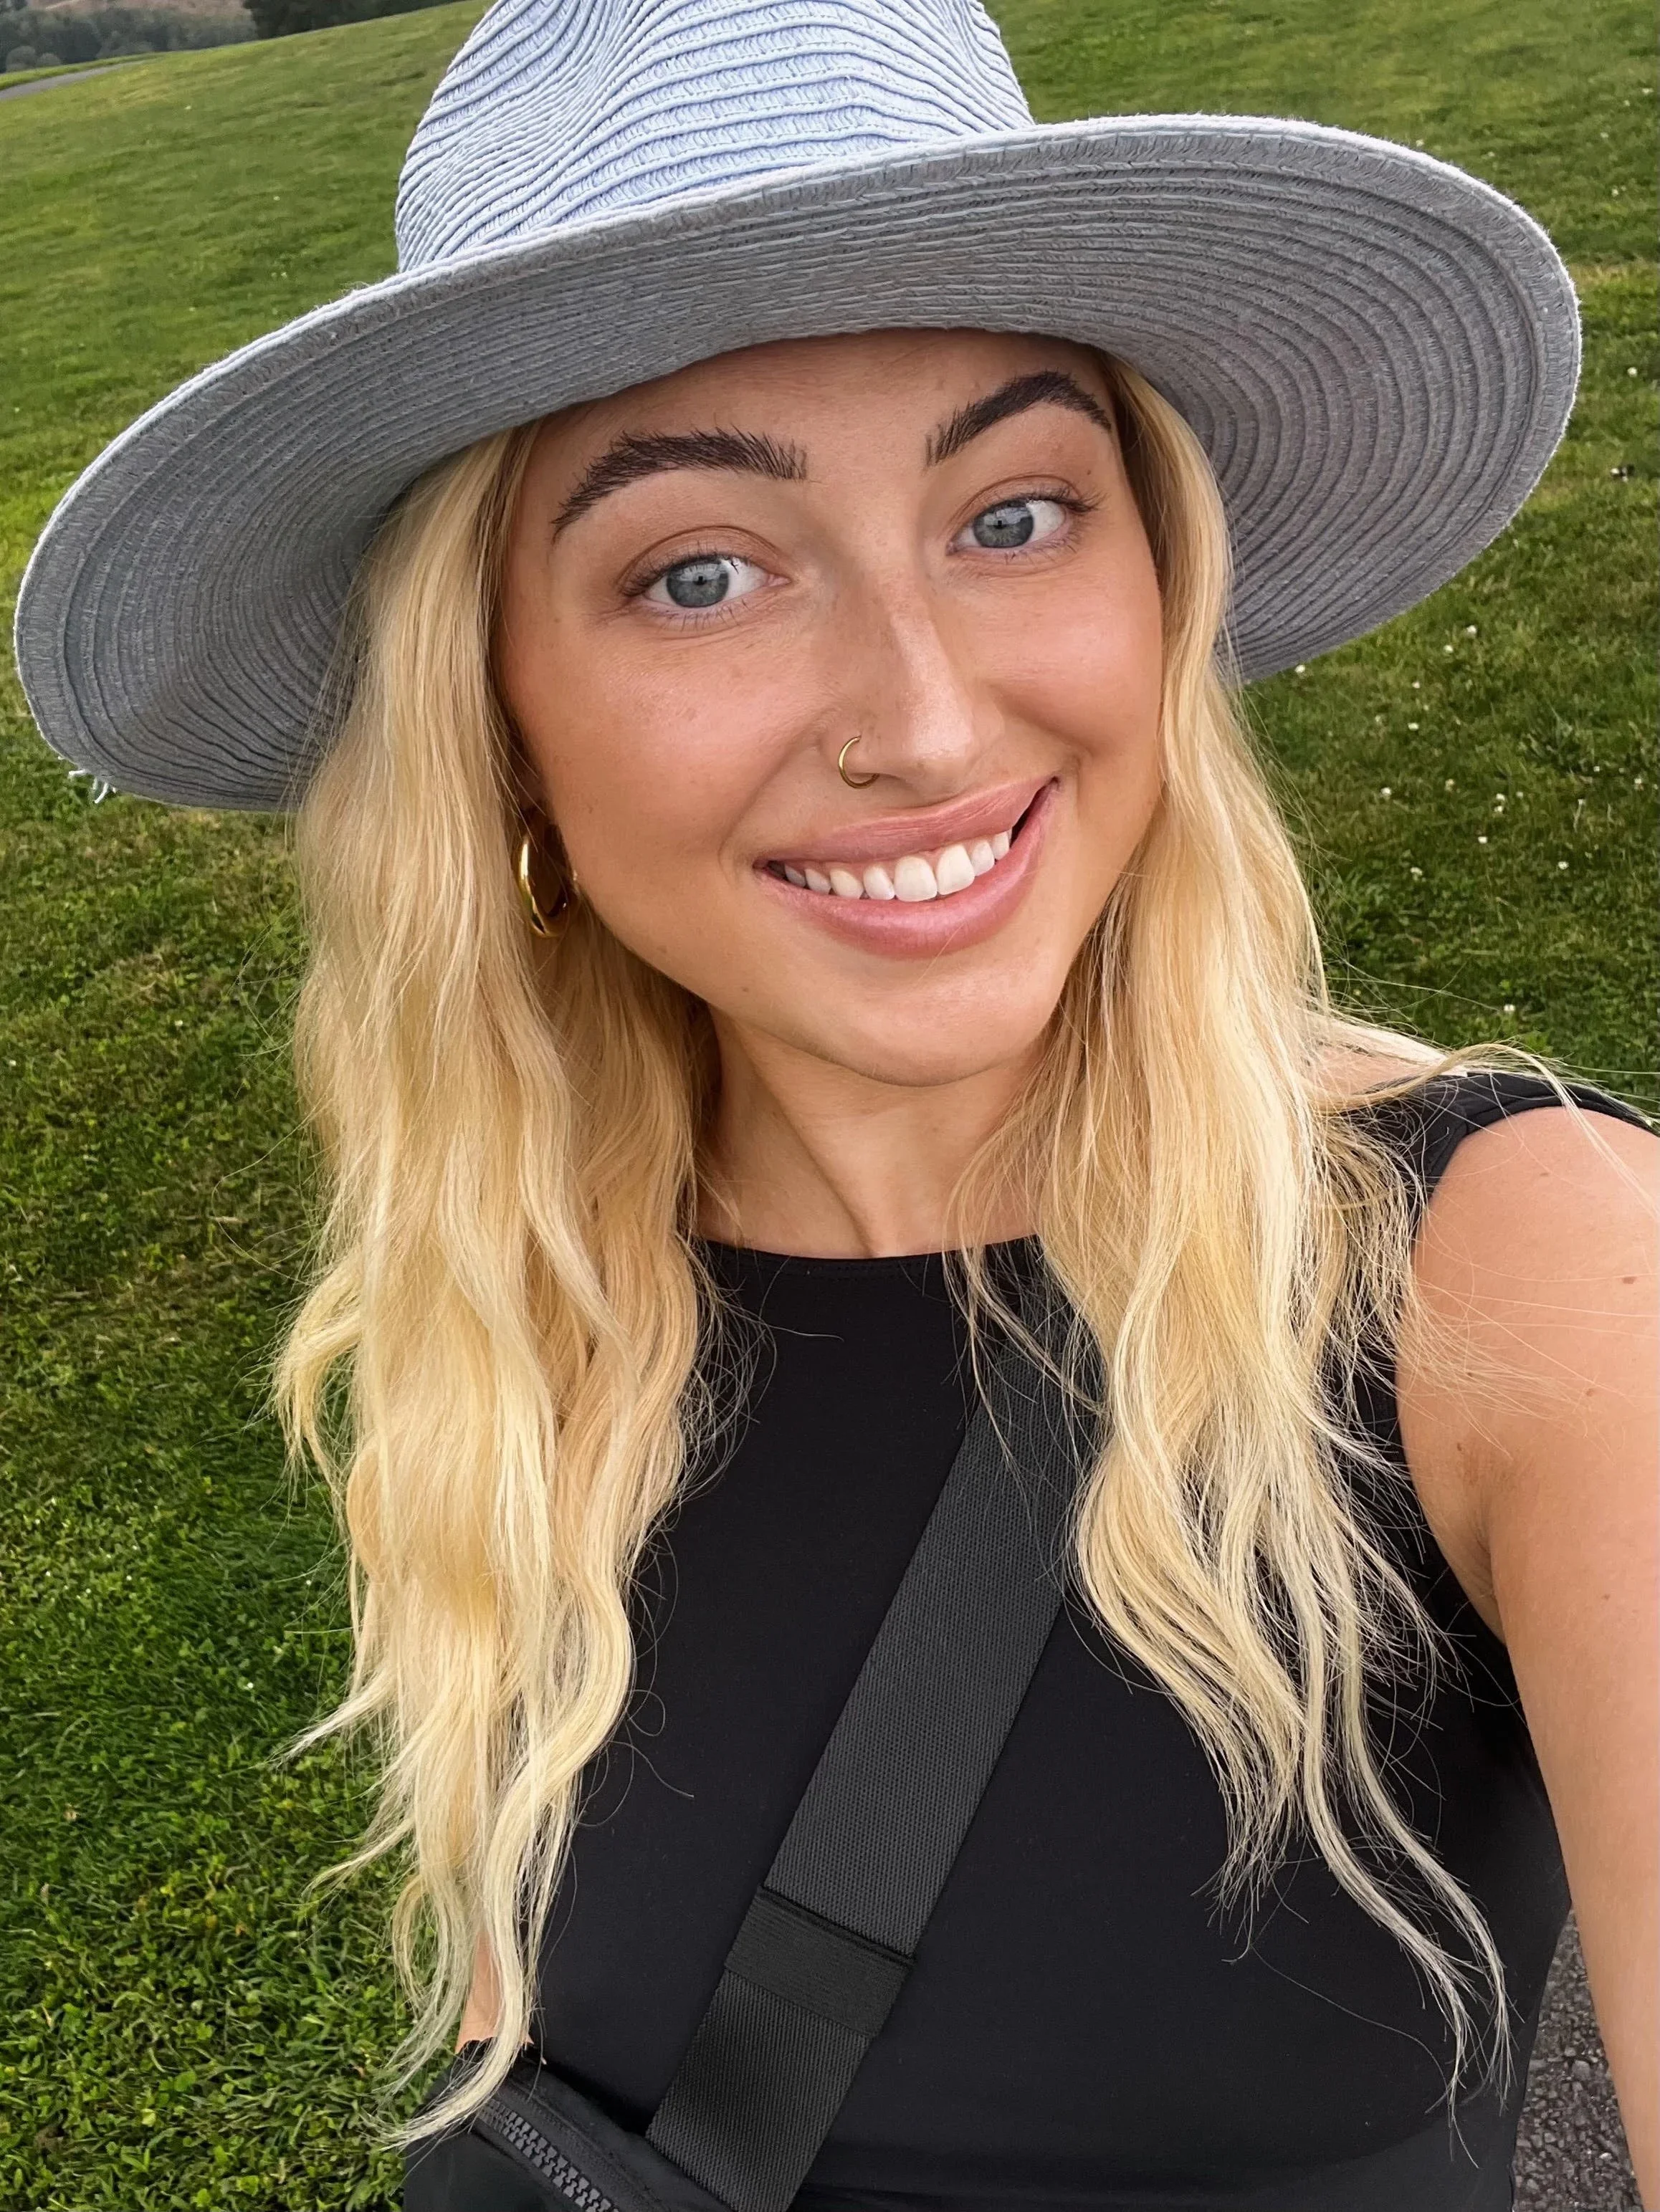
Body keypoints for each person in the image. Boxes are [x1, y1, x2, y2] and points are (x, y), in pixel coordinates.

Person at [14, 2, 1656, 2206]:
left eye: (1012, 511)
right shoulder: (532, 1291)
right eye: (701, 570)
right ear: (491, 728)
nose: (919, 712)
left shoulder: (1530, 1276)